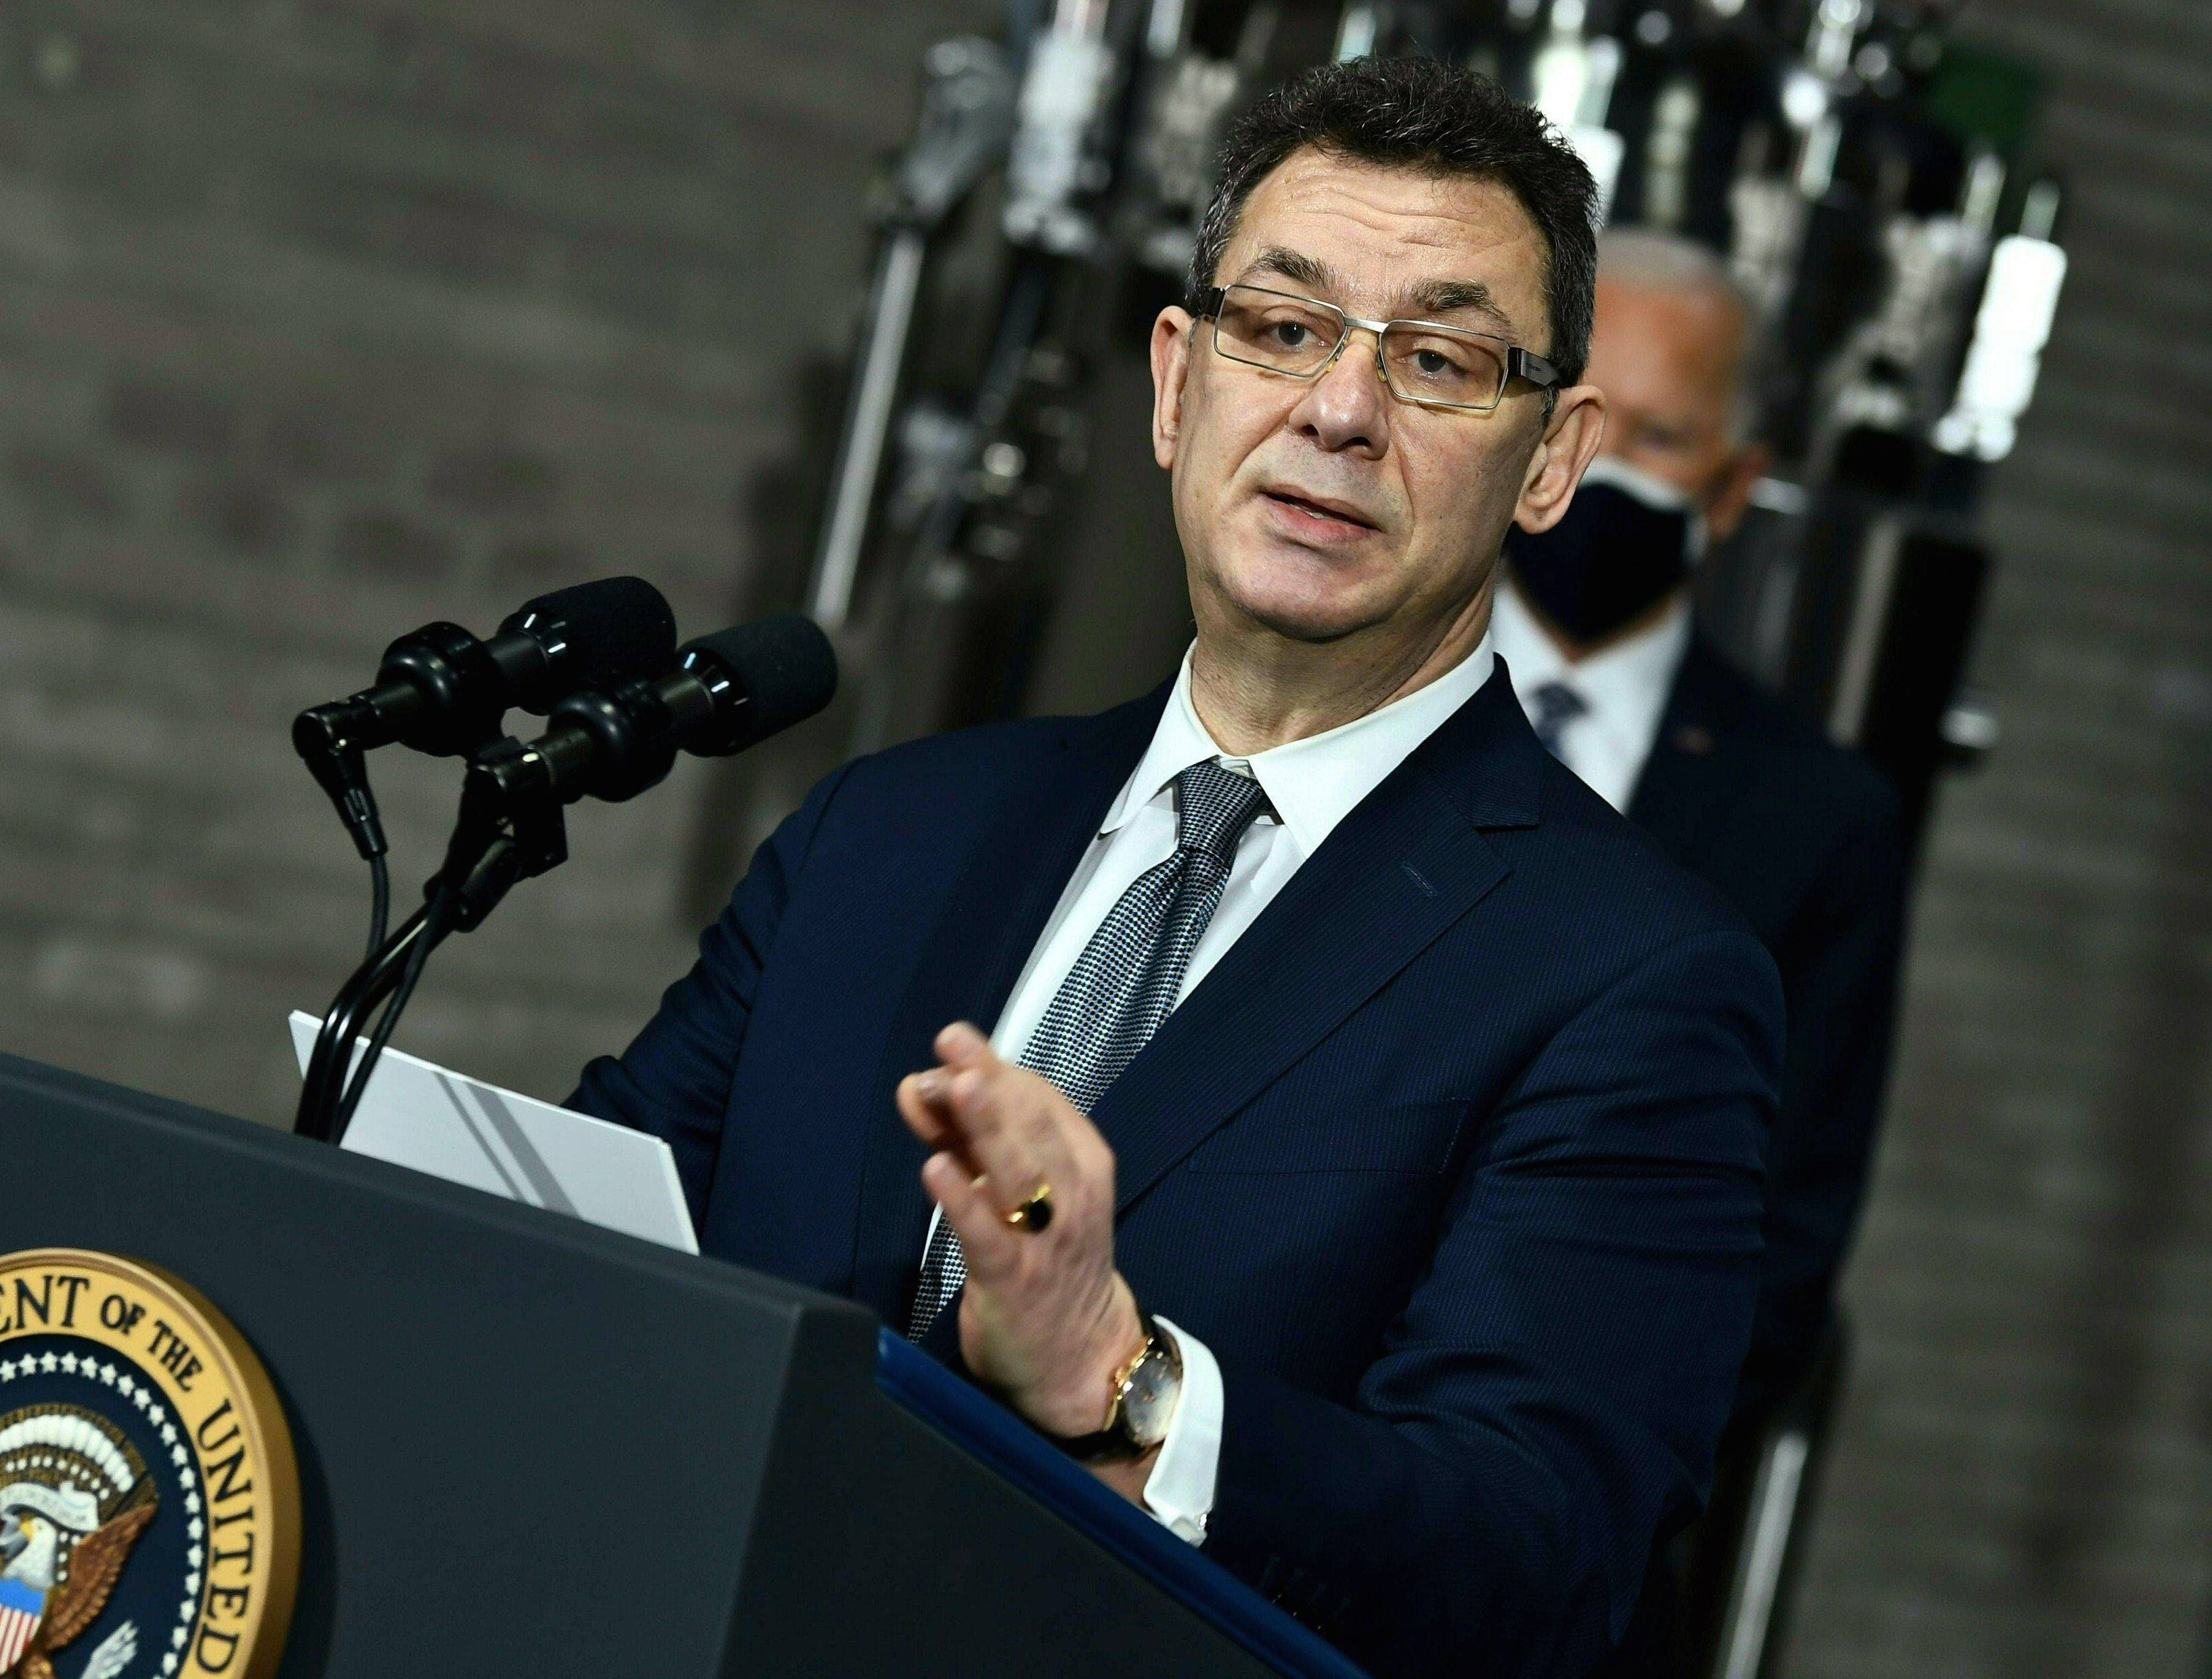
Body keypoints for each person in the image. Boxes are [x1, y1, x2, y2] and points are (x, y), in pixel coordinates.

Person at [572, 59, 1782, 1678]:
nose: (1338, 411)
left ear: (1551, 460)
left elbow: (1531, 1559)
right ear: (1173, 380)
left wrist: (1118, 1376)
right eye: (1280, 328)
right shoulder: (889, 829)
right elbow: (604, 1233)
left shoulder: (1629, 980)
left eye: (1436, 359)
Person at [1496, 229, 1908, 1441]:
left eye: (1661, 438)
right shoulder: (1350, 672)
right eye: (1581, 417)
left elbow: (1780, 1247)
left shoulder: (1817, 820)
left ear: (1731, 489)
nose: (1605, 469)